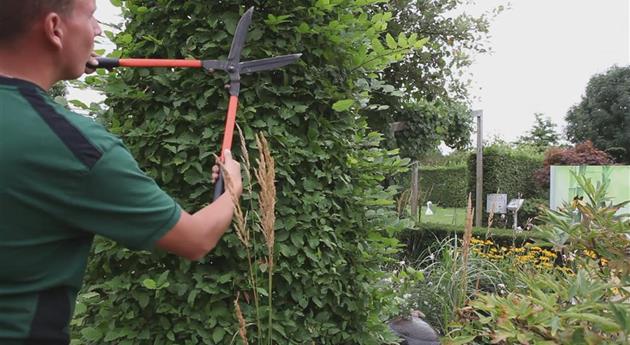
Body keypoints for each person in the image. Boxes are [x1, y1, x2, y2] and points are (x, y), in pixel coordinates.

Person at [0, 0, 243, 344]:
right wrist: (233, 188)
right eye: (91, 16)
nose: (98, 30)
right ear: (55, 29)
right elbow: (195, 238)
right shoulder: (74, 149)